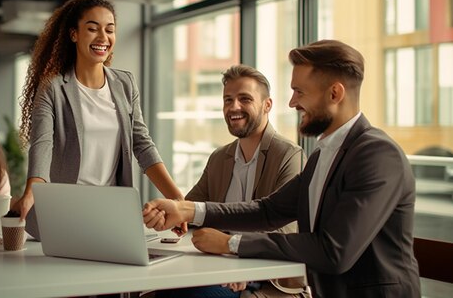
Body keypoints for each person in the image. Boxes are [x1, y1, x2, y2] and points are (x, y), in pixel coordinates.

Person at [143, 40, 420, 298]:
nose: (292, 102)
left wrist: (230, 244)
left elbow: (334, 251)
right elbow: (268, 211)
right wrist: (187, 210)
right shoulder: (323, 154)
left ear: (335, 93)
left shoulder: (377, 154)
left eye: (299, 92)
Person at [11, 0, 185, 231]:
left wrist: (179, 201)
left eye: (110, 30)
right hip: (66, 208)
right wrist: (32, 192)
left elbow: (142, 144)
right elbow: (42, 143)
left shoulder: (125, 84)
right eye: (93, 29)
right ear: (74, 34)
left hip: (111, 209)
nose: (103, 37)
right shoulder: (52, 87)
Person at [155, 65, 306, 298]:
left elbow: (286, 230)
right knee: (157, 288)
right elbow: (192, 209)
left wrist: (233, 249)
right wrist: (164, 214)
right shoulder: (219, 158)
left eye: (244, 99)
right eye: (228, 100)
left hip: (264, 276)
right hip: (219, 266)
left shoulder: (289, 155)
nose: (233, 107)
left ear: (267, 105)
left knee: (181, 294)